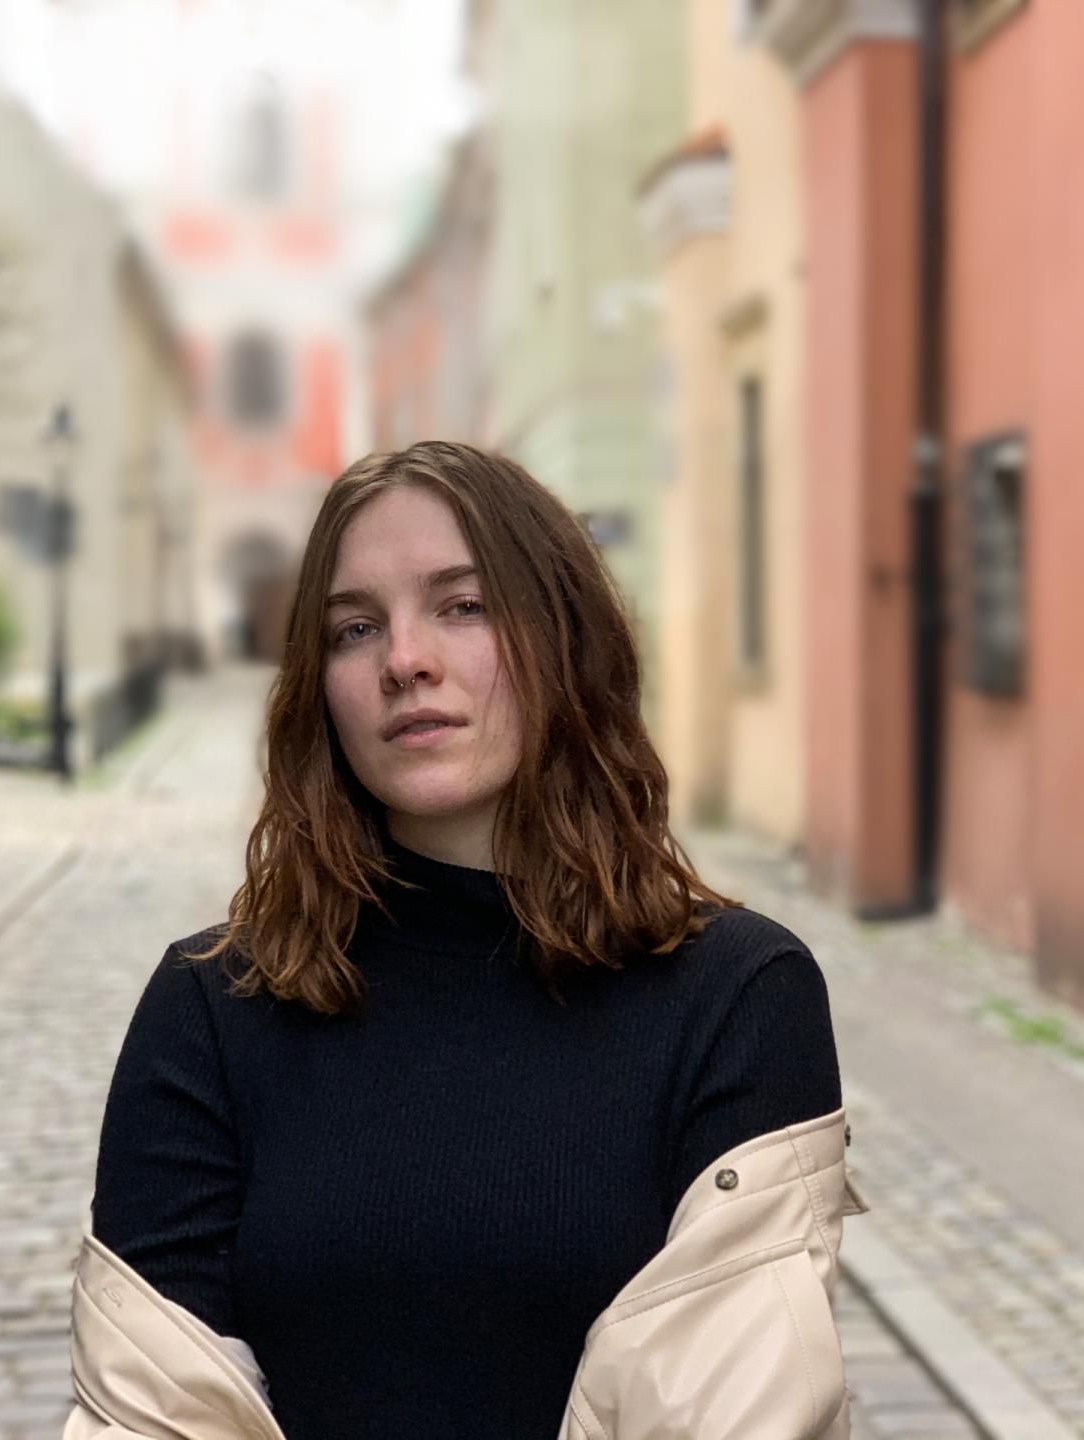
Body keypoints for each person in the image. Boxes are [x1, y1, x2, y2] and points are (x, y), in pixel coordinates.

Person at [66, 441, 860, 1440]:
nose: (404, 660)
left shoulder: (737, 996)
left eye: (463, 606)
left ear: (564, 637)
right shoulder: (215, 1007)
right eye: (355, 628)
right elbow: (156, 1411)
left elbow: (736, 1408)